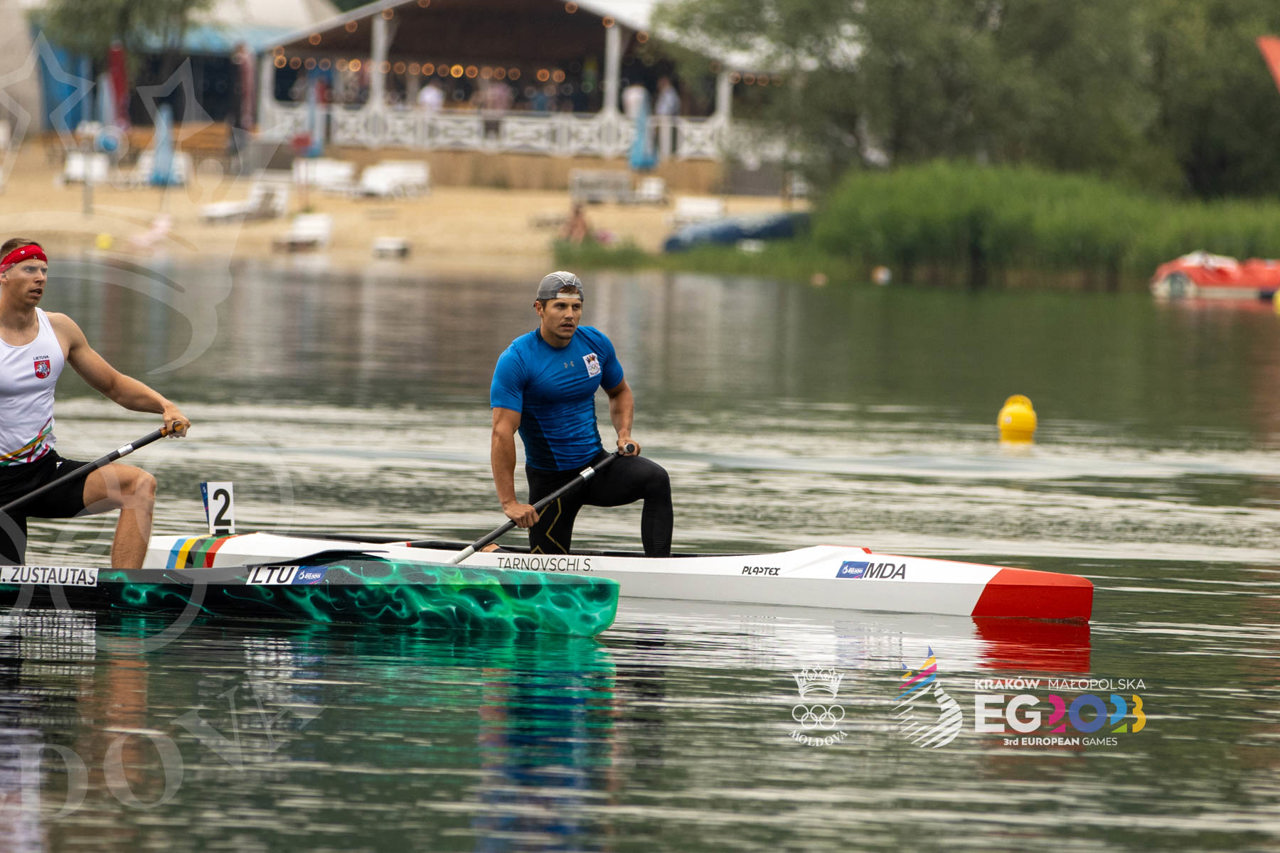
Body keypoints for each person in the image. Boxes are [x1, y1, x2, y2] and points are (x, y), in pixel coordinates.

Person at [0, 238, 190, 568]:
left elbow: (116, 386)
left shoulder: (59, 329)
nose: (40, 277)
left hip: (45, 474)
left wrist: (165, 406)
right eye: (29, 269)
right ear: (3, 274)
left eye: (44, 270)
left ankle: (126, 592)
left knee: (138, 486)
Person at [490, 271, 672, 557]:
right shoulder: (517, 359)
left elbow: (620, 392)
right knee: (548, 569)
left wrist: (624, 434)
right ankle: (493, 554)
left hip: (596, 467)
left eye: (576, 307)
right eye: (560, 306)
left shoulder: (595, 344)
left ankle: (661, 568)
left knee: (656, 479)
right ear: (539, 308)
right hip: (552, 482)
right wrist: (510, 503)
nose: (570, 315)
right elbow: (502, 432)